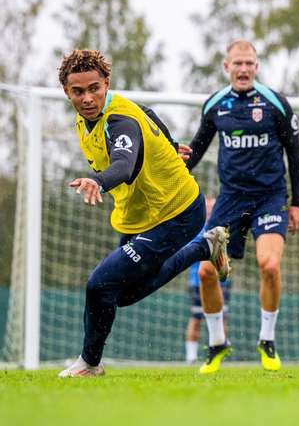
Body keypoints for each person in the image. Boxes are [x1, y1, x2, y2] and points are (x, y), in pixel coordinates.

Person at [56, 49, 230, 378]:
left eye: (94, 88)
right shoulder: (90, 117)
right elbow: (147, 111)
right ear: (67, 91)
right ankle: (205, 247)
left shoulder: (119, 121)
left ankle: (89, 364)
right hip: (141, 216)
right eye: (78, 91)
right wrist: (168, 140)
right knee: (122, 294)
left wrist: (98, 181)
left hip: (176, 212)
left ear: (106, 83)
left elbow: (123, 164)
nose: (88, 98)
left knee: (99, 285)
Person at [180, 39, 299, 373]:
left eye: (249, 63)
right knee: (207, 272)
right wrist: (170, 175)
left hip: (270, 199)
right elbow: (197, 150)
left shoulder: (275, 103)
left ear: (257, 66)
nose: (244, 69)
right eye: (238, 63)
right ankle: (217, 342)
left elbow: (294, 153)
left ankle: (267, 339)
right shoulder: (215, 106)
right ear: (226, 67)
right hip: (230, 202)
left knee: (269, 265)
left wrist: (297, 203)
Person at [185, 197, 233, 363]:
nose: (211, 209)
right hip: (197, 282)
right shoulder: (195, 229)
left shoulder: (223, 229)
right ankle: (191, 357)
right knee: (196, 318)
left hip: (222, 282)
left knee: (222, 317)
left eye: (214, 206)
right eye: (208, 206)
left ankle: (220, 351)